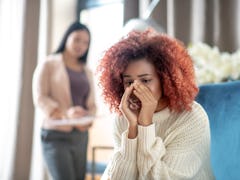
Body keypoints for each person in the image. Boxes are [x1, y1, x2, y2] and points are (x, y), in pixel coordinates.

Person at [97, 30, 215, 180]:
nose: (135, 89)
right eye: (129, 82)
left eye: (145, 80)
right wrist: (132, 130)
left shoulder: (191, 119)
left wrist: (145, 124)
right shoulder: (123, 118)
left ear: (166, 80)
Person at [32, 22, 96, 180]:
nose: (81, 45)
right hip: (55, 135)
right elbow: (40, 97)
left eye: (85, 42)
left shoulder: (87, 70)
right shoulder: (49, 64)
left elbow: (92, 104)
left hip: (80, 135)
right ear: (67, 37)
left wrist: (87, 118)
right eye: (77, 39)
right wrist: (66, 114)